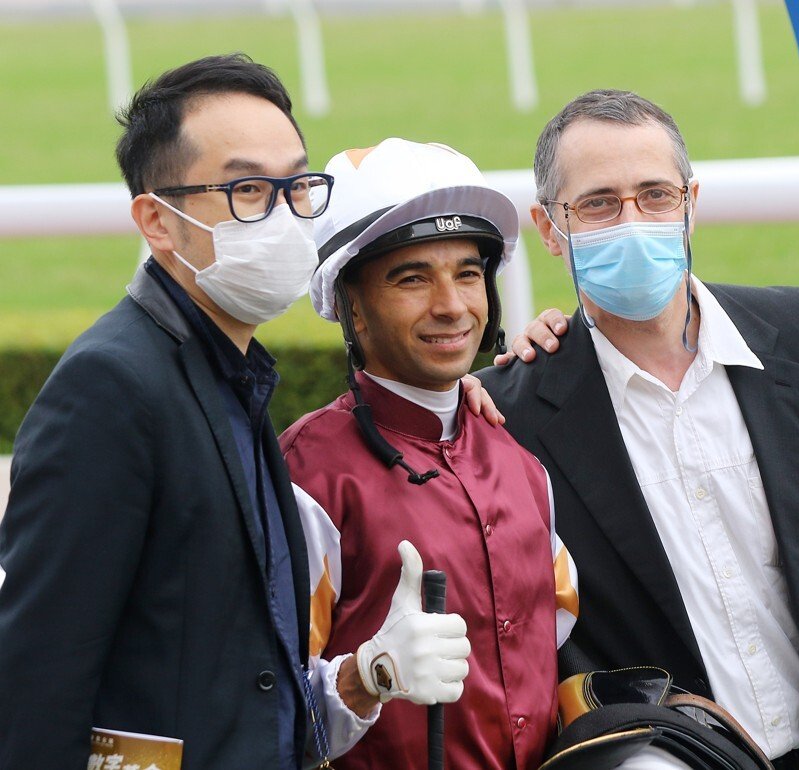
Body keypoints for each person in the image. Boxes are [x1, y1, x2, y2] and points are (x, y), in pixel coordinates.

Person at [479, 89, 799, 769]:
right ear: (551, 229)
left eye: (655, 195)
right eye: (599, 203)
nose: (633, 221)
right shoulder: (510, 415)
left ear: (691, 203)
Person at [0, 53, 333, 768]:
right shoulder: (109, 387)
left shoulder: (235, 371)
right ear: (157, 220)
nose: (283, 216)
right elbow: (40, 672)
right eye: (248, 189)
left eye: (298, 185)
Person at [280, 138, 579, 769]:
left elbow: (560, 647)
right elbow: (261, 714)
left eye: (467, 274)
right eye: (413, 278)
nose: (451, 305)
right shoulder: (308, 474)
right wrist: (366, 677)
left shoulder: (519, 460)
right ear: (349, 308)